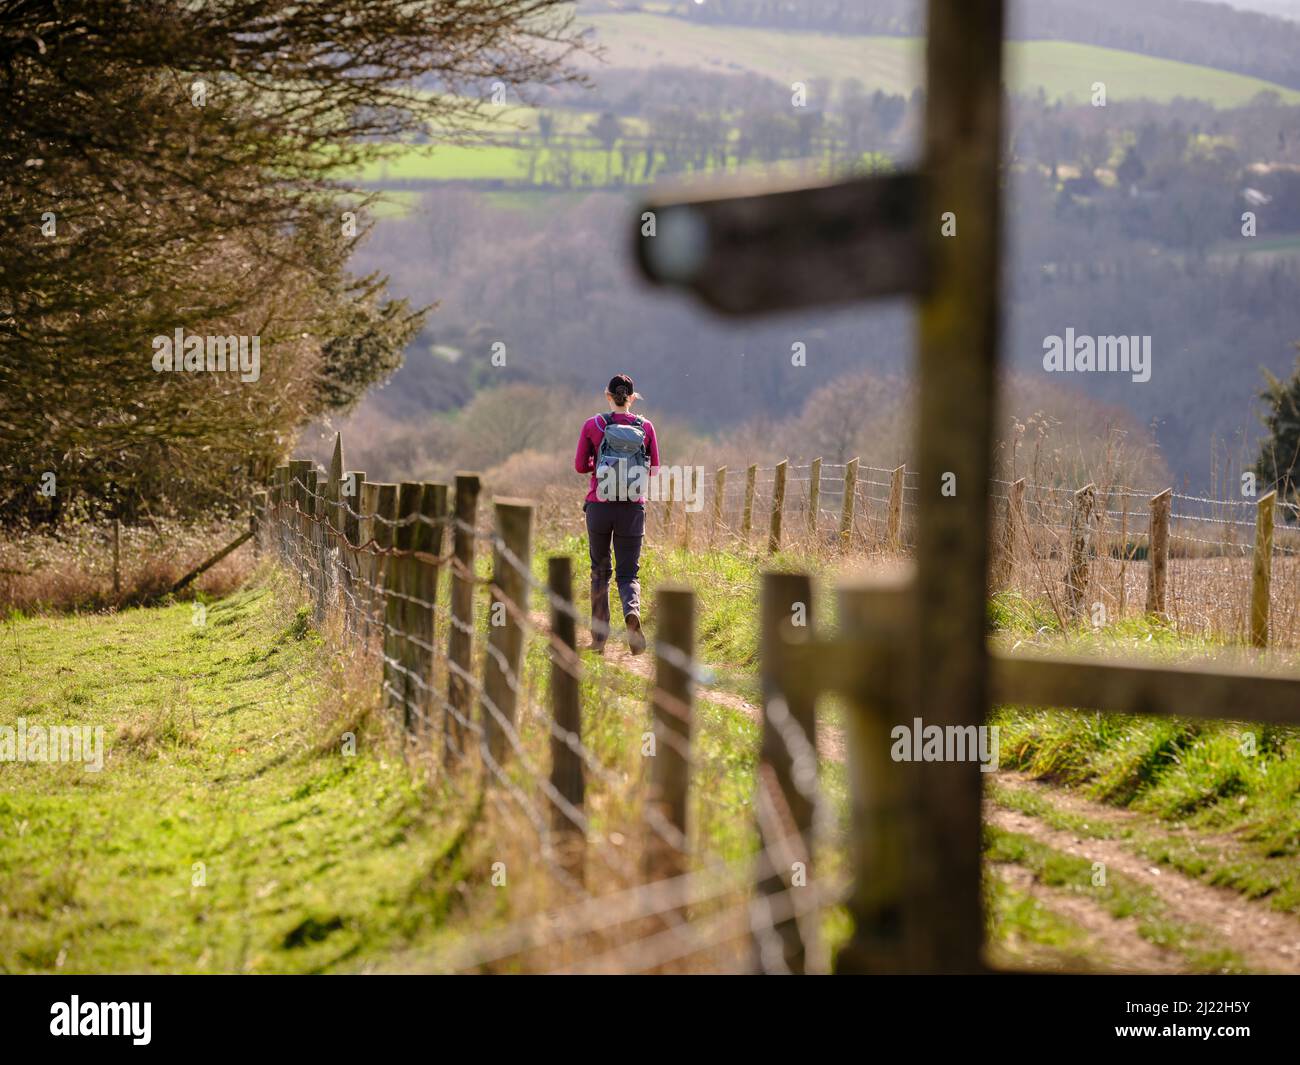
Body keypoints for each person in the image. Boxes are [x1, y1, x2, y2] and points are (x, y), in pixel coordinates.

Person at [574, 373, 659, 654]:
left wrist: (599, 463)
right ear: (633, 397)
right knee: (628, 574)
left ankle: (599, 640)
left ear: (607, 395)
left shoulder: (593, 425)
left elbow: (579, 466)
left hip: (599, 506)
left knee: (600, 572)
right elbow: (654, 469)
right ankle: (631, 613)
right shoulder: (646, 427)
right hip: (632, 508)